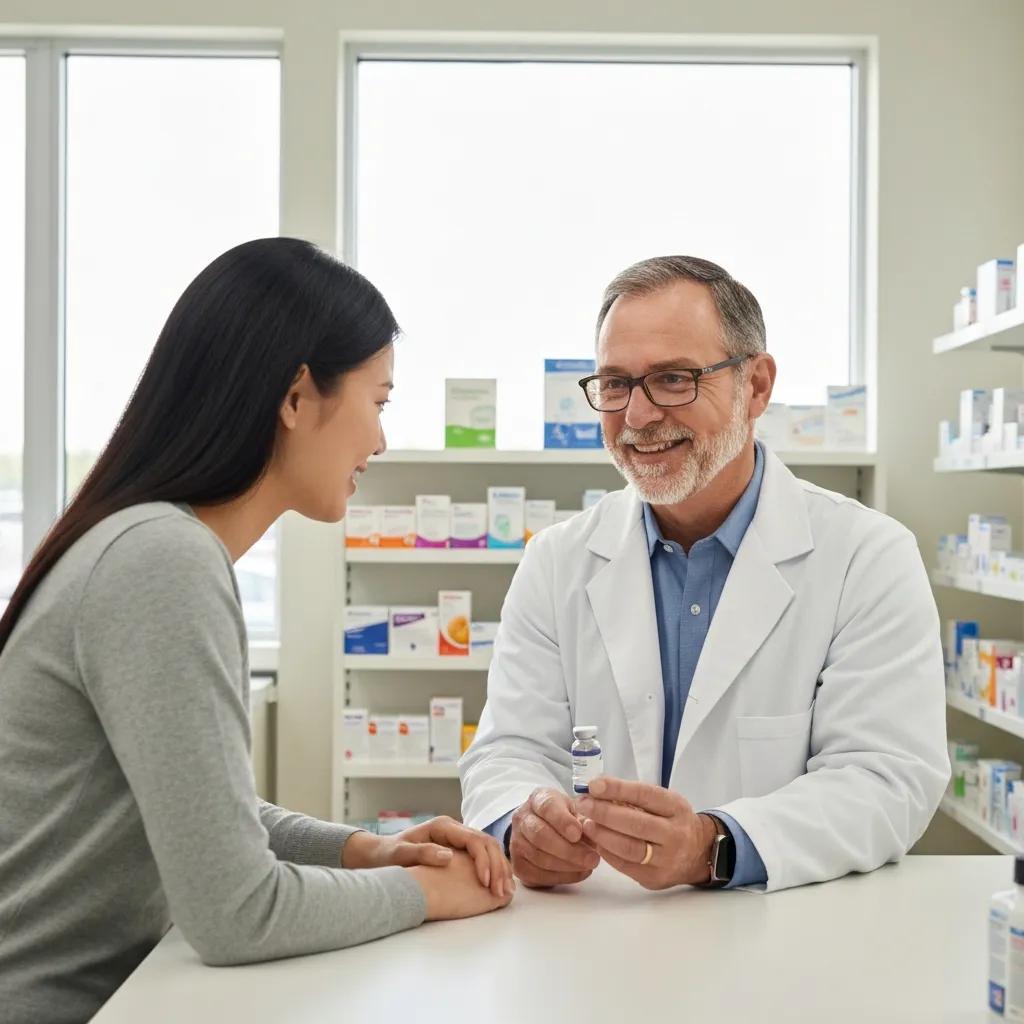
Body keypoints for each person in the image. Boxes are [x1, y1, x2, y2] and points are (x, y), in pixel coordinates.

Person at [0, 238, 513, 1024]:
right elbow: (237, 913)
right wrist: (425, 893)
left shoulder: (149, 542)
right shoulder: (161, 561)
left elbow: (199, 805)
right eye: (377, 402)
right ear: (298, 397)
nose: (379, 441)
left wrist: (363, 849)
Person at [460, 255, 949, 894]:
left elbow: (886, 779)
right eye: (614, 383)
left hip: (783, 939)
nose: (636, 416)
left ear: (756, 386)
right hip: (593, 940)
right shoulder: (557, 560)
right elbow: (508, 749)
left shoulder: (867, 556)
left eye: (672, 379)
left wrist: (713, 846)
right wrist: (520, 823)